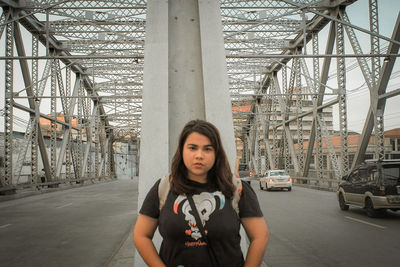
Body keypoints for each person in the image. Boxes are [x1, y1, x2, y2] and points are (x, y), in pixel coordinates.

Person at [133, 119, 269, 267]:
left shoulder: (236, 188)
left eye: (207, 149)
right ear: (182, 150)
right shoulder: (164, 187)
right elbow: (141, 235)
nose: (199, 155)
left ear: (217, 153)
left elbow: (260, 236)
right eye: (192, 148)